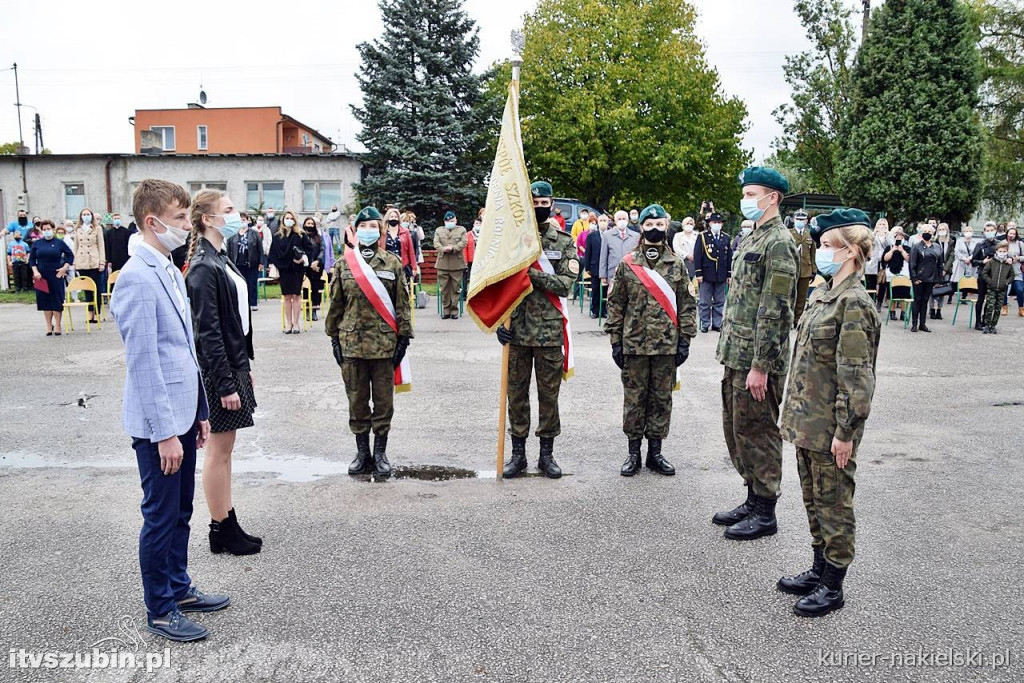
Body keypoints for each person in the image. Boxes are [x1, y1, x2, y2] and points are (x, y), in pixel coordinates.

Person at [109, 179, 228, 642]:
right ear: (152, 222)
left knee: (180, 513)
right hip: (158, 425)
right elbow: (144, 362)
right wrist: (163, 433)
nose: (187, 225)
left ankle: (178, 588)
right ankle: (159, 608)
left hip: (181, 415)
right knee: (159, 517)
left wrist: (198, 412)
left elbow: (183, 351)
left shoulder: (165, 266)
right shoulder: (137, 276)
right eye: (180, 219)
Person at [778, 208, 880, 618]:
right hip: (807, 422)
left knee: (834, 503)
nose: (819, 252)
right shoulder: (824, 293)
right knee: (813, 501)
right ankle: (819, 568)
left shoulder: (854, 303)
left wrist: (845, 432)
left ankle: (834, 584)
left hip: (831, 428)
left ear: (852, 251)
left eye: (826, 246)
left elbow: (856, 377)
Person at [714, 167, 798, 541]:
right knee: (739, 429)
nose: (745, 200)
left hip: (757, 361)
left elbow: (775, 309)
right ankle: (752, 497)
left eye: (751, 194)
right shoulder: (753, 238)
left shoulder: (778, 242)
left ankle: (766, 510)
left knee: (760, 431)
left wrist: (761, 365)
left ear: (772, 197)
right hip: (737, 354)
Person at [183, 190, 260, 556]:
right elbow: (208, 332)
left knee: (227, 449)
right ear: (208, 219)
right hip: (218, 373)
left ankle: (228, 521)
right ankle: (219, 527)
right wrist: (227, 381)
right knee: (218, 450)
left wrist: (244, 367)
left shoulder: (220, 258)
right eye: (228, 210)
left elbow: (237, 323)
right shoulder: (202, 266)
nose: (236, 215)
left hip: (232, 367)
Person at [605, 204, 697, 476]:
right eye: (649, 225)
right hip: (634, 344)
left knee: (661, 399)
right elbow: (616, 304)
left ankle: (655, 453)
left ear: (666, 228)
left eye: (659, 225)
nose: (655, 230)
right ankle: (633, 453)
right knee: (634, 399)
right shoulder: (628, 263)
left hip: (666, 345)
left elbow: (687, 305)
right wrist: (615, 341)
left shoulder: (677, 264)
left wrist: (685, 340)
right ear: (641, 228)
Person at [496, 181, 579, 479]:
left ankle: (547, 455)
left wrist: (529, 273)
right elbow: (501, 284)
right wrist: (498, 322)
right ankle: (518, 455)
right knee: (516, 396)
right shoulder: (512, 241)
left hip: (548, 332)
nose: (539, 208)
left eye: (544, 203)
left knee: (548, 397)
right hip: (515, 330)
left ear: (552, 204)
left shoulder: (564, 241)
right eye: (534, 203)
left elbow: (565, 285)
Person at [325, 208, 413, 478]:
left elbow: (402, 304)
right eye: (363, 225)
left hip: (384, 345)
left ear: (380, 230)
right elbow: (335, 305)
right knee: (357, 401)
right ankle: (362, 452)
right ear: (356, 228)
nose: (367, 230)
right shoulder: (343, 264)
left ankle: (380, 453)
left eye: (373, 225)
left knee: (384, 402)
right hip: (351, 344)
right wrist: (333, 339)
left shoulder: (392, 263)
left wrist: (404, 339)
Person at [28, 220, 74, 335]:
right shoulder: (37, 244)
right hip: (41, 275)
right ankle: (49, 326)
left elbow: (70, 255)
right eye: (44, 230)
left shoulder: (59, 243)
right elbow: (32, 259)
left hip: (56, 274)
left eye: (48, 229)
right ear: (41, 231)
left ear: (53, 229)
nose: (46, 231)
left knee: (56, 300)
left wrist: (64, 268)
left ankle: (58, 325)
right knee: (45, 301)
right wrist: (35, 271)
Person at [269, 210, 310, 334]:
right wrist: (279, 264)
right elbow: (273, 253)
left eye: (291, 218)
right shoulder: (277, 236)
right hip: (284, 270)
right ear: (282, 220)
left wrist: (302, 260)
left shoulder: (300, 234)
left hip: (296, 269)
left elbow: (309, 249)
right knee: (286, 296)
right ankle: (288, 323)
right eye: (287, 218)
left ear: (295, 220)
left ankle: (296, 323)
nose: (289, 220)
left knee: (296, 296)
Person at [693, 212, 732, 333]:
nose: (717, 225)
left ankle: (717, 323)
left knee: (719, 301)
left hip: (721, 273)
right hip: (706, 273)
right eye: (715, 222)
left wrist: (729, 274)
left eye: (719, 223)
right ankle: (705, 323)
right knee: (705, 301)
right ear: (710, 223)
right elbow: (698, 255)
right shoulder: (703, 236)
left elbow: (729, 256)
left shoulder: (725, 237)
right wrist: (698, 273)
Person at [908, 223, 943, 332]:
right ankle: (914, 324)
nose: (927, 233)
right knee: (917, 300)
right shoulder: (916, 246)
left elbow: (940, 264)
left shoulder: (937, 247)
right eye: (925, 231)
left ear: (933, 234)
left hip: (931, 278)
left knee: (925, 301)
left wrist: (938, 279)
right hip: (919, 278)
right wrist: (914, 278)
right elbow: (912, 263)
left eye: (929, 231)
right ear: (921, 233)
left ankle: (922, 324)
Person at [73, 207, 106, 324]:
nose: (86, 216)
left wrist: (102, 261)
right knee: (86, 288)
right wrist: (75, 262)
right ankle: (89, 313)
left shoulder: (97, 228)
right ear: (81, 217)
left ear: (91, 216)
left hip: (94, 260)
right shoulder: (77, 229)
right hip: (82, 261)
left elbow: (101, 245)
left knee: (95, 287)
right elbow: (76, 246)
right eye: (84, 214)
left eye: (88, 214)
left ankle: (97, 313)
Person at [227, 213, 265, 312]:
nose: (242, 222)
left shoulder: (254, 234)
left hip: (251, 263)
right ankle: (240, 303)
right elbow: (229, 250)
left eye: (244, 219)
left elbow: (260, 249)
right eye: (240, 220)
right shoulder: (233, 234)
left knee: (251, 284)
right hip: (237, 264)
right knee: (239, 285)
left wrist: (261, 262)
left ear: (248, 221)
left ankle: (253, 303)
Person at [433, 211, 467, 319]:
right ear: (444, 221)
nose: (450, 222)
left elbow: (463, 242)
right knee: (444, 289)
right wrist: (443, 249)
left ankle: (454, 310)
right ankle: (446, 309)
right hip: (442, 263)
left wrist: (453, 248)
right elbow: (436, 243)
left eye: (452, 221)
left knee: (455, 288)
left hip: (457, 263)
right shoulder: (439, 230)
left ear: (456, 220)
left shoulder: (461, 230)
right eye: (448, 221)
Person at [600, 211, 640, 296]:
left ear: (628, 220)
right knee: (614, 298)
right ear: (615, 221)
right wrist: (603, 275)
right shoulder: (607, 235)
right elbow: (603, 256)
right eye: (619, 219)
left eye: (624, 219)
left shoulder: (636, 236)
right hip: (613, 272)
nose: (622, 221)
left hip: (631, 272)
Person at [971, 222, 1000, 331]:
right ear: (984, 232)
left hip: (995, 275)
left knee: (991, 299)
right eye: (987, 231)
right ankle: (978, 322)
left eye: (991, 230)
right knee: (981, 298)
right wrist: (982, 261)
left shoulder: (999, 244)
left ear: (995, 230)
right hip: (983, 275)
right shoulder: (980, 245)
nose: (989, 232)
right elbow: (973, 261)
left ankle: (986, 320)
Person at [789, 210, 817, 325]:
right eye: (798, 219)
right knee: (790, 295)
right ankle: (789, 319)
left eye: (802, 220)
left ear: (806, 221)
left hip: (806, 270)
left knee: (801, 297)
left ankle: (798, 320)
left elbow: (813, 254)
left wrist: (814, 270)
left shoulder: (810, 235)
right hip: (792, 269)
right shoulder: (789, 233)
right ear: (794, 220)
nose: (800, 221)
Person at [981, 242, 1014, 334]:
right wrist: (990, 282)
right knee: (990, 306)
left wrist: (1006, 282)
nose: (1002, 253)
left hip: (1002, 289)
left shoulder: (1008, 264)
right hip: (992, 288)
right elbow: (984, 273)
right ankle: (987, 325)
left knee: (998, 308)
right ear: (996, 251)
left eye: (1004, 251)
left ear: (1007, 252)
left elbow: (1012, 275)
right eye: (1000, 251)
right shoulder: (992, 262)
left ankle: (993, 325)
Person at [881, 227, 911, 321]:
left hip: (904, 274)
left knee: (904, 294)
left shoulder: (908, 248)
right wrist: (893, 250)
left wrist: (902, 250)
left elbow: (908, 259)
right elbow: (885, 258)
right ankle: (892, 313)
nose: (899, 239)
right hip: (891, 274)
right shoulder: (889, 247)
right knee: (891, 295)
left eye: (901, 237)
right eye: (897, 237)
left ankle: (903, 313)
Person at [929, 223, 956, 320]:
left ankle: (939, 310)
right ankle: (932, 309)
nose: (942, 231)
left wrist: (945, 269)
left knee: (942, 290)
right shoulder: (933, 241)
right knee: (932, 290)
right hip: (934, 270)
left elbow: (952, 256)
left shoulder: (951, 242)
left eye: (943, 229)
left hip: (946, 269)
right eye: (940, 229)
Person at [302, 217, 327, 322]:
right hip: (304, 266)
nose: (310, 225)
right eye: (308, 223)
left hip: (316, 266)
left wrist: (317, 261)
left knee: (316, 288)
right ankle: (307, 310)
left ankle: (314, 310)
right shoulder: (301, 236)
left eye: (312, 224)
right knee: (306, 289)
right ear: (304, 224)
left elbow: (322, 249)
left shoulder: (318, 237)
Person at [382, 207, 416, 282]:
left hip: (402, 265)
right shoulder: (383, 233)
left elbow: (411, 251)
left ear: (398, 218)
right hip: (387, 266)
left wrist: (414, 267)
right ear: (387, 218)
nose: (393, 218)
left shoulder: (405, 232)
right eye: (391, 216)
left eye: (395, 217)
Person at [582, 216, 604, 318]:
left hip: (606, 267)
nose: (603, 223)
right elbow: (588, 252)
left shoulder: (610, 235)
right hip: (595, 266)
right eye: (601, 221)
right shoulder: (592, 236)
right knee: (595, 289)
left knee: (605, 290)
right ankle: (595, 310)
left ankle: (604, 310)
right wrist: (587, 267)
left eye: (605, 221)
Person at [1006, 226, 1023, 316]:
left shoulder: (1020, 244)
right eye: (1010, 233)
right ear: (1007, 234)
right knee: (1004, 289)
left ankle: (1021, 308)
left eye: (1013, 233)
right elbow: (998, 254)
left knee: (1019, 290)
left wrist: (1019, 258)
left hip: (1017, 270)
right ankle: (1004, 307)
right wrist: (1007, 259)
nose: (1011, 235)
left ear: (1016, 235)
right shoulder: (1003, 243)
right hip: (1006, 271)